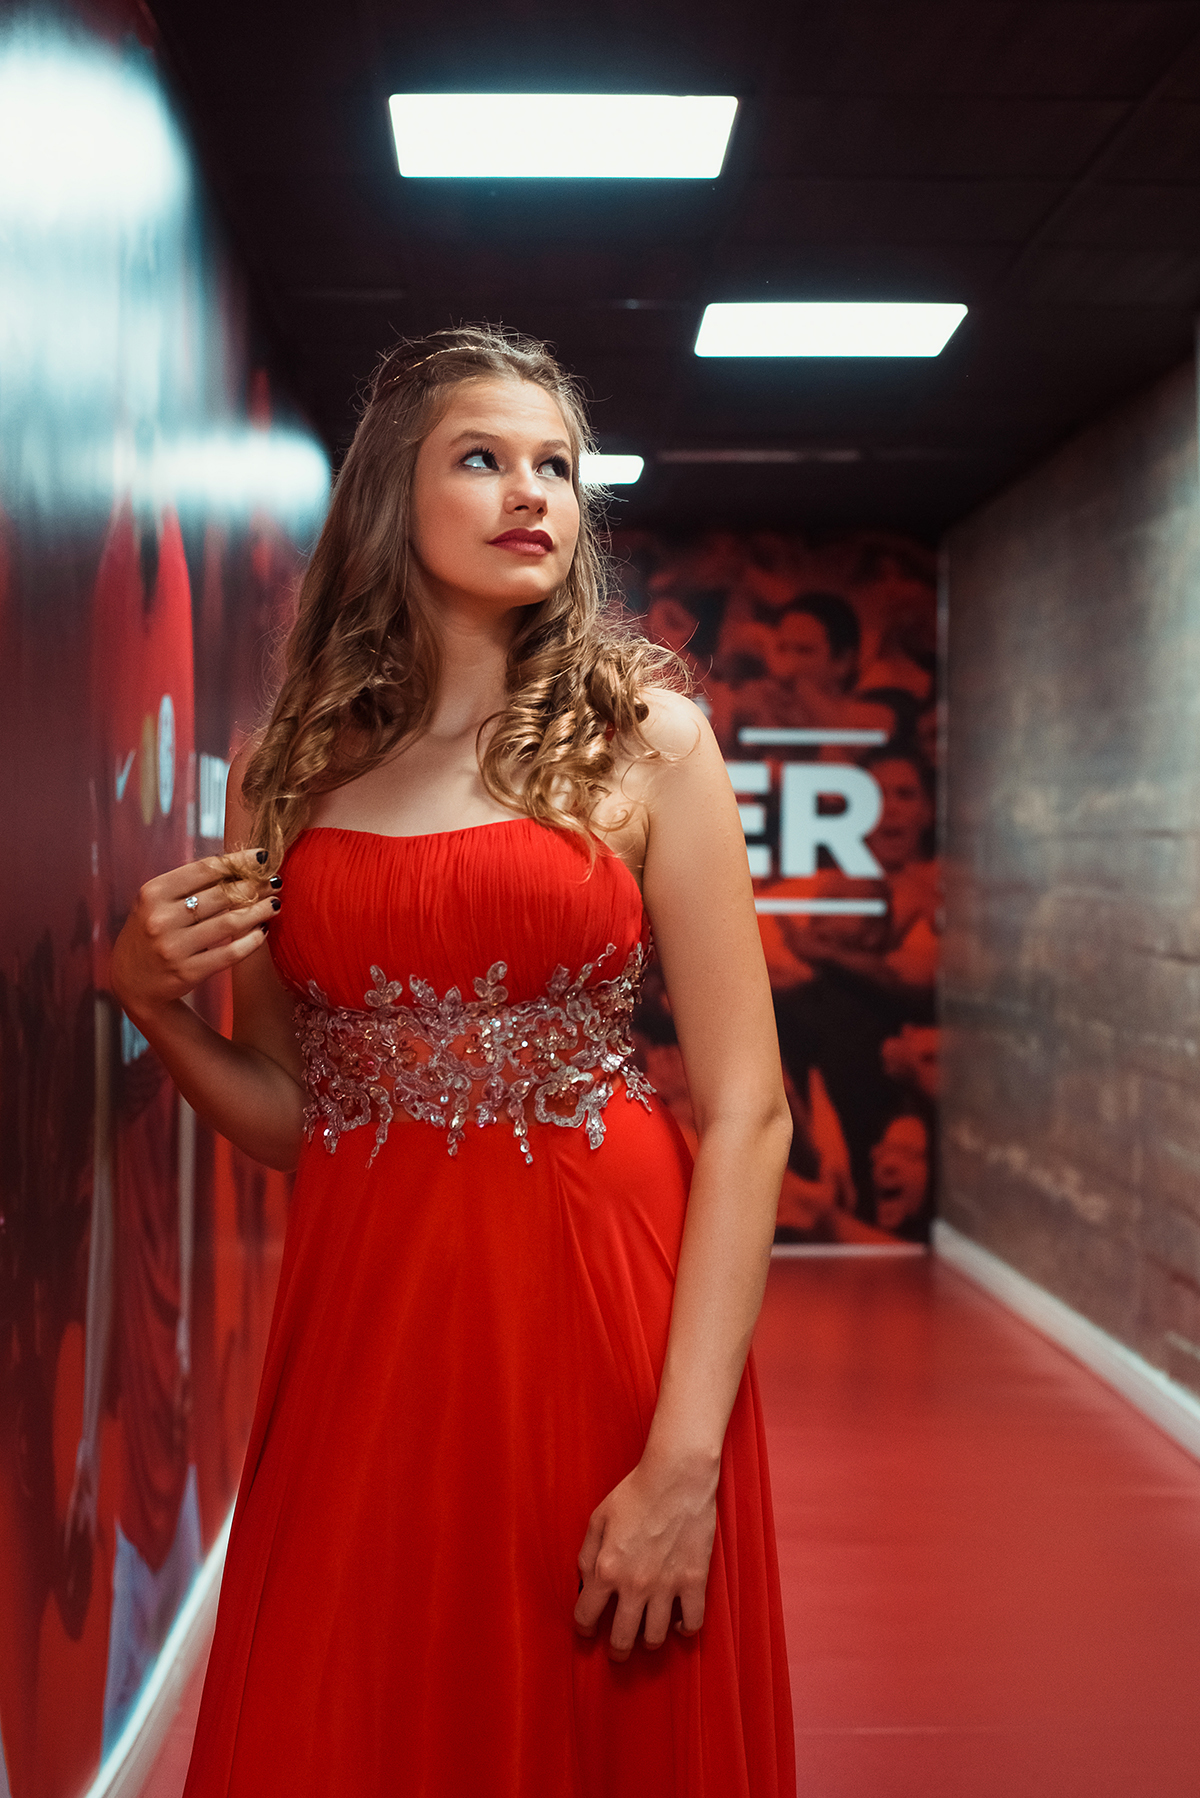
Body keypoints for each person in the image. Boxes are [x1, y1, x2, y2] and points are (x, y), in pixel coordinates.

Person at [109, 327, 796, 1798]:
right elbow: (299, 1112)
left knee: (596, 1700)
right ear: (388, 502)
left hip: (597, 1297)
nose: (529, 492)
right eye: (480, 459)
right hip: (369, 1324)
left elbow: (748, 1111)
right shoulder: (290, 769)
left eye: (554, 465)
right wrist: (155, 1007)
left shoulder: (648, 742)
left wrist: (684, 1465)